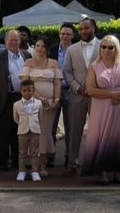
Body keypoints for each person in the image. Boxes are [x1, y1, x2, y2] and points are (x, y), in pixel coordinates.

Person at [81, 35, 120, 185]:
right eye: (103, 47)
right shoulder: (94, 66)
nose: (106, 50)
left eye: (110, 47)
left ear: (116, 48)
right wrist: (112, 94)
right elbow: (90, 89)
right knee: (103, 137)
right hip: (102, 106)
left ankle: (119, 173)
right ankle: (103, 173)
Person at [0, 30, 32, 170]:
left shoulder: (27, 56)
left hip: (22, 98)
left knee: (20, 131)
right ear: (6, 42)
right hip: (4, 98)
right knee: (3, 131)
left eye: (16, 40)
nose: (14, 43)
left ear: (20, 41)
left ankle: (18, 161)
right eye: (11, 40)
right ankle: (2, 161)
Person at [62, 18, 100, 176]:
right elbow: (66, 72)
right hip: (77, 95)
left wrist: (96, 88)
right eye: (81, 29)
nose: (83, 31)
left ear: (94, 29)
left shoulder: (104, 46)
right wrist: (77, 87)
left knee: (98, 131)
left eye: (86, 28)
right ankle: (72, 162)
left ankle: (97, 162)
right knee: (73, 131)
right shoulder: (71, 49)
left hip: (98, 96)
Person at [20, 36, 62, 176]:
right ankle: (32, 165)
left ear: (47, 49)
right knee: (32, 133)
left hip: (49, 105)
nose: (39, 48)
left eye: (43, 46)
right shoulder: (28, 62)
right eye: (37, 45)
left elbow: (57, 83)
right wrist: (39, 97)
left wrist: (56, 99)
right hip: (32, 102)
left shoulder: (54, 63)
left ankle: (43, 165)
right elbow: (26, 83)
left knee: (45, 133)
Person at [49, 22, 77, 167]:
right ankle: (50, 155)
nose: (65, 36)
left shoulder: (77, 50)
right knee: (51, 125)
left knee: (71, 126)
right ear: (59, 34)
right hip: (54, 91)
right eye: (62, 33)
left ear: (73, 36)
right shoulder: (52, 49)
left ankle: (69, 157)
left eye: (68, 34)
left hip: (71, 91)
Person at [13, 79, 42, 182]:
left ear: (33, 90)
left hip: (35, 130)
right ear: (21, 91)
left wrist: (35, 125)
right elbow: (16, 118)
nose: (27, 92)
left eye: (29, 90)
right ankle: (21, 171)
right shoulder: (16, 105)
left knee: (35, 152)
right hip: (22, 131)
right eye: (24, 90)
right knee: (22, 153)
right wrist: (23, 125)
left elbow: (40, 117)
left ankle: (35, 171)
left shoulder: (38, 103)